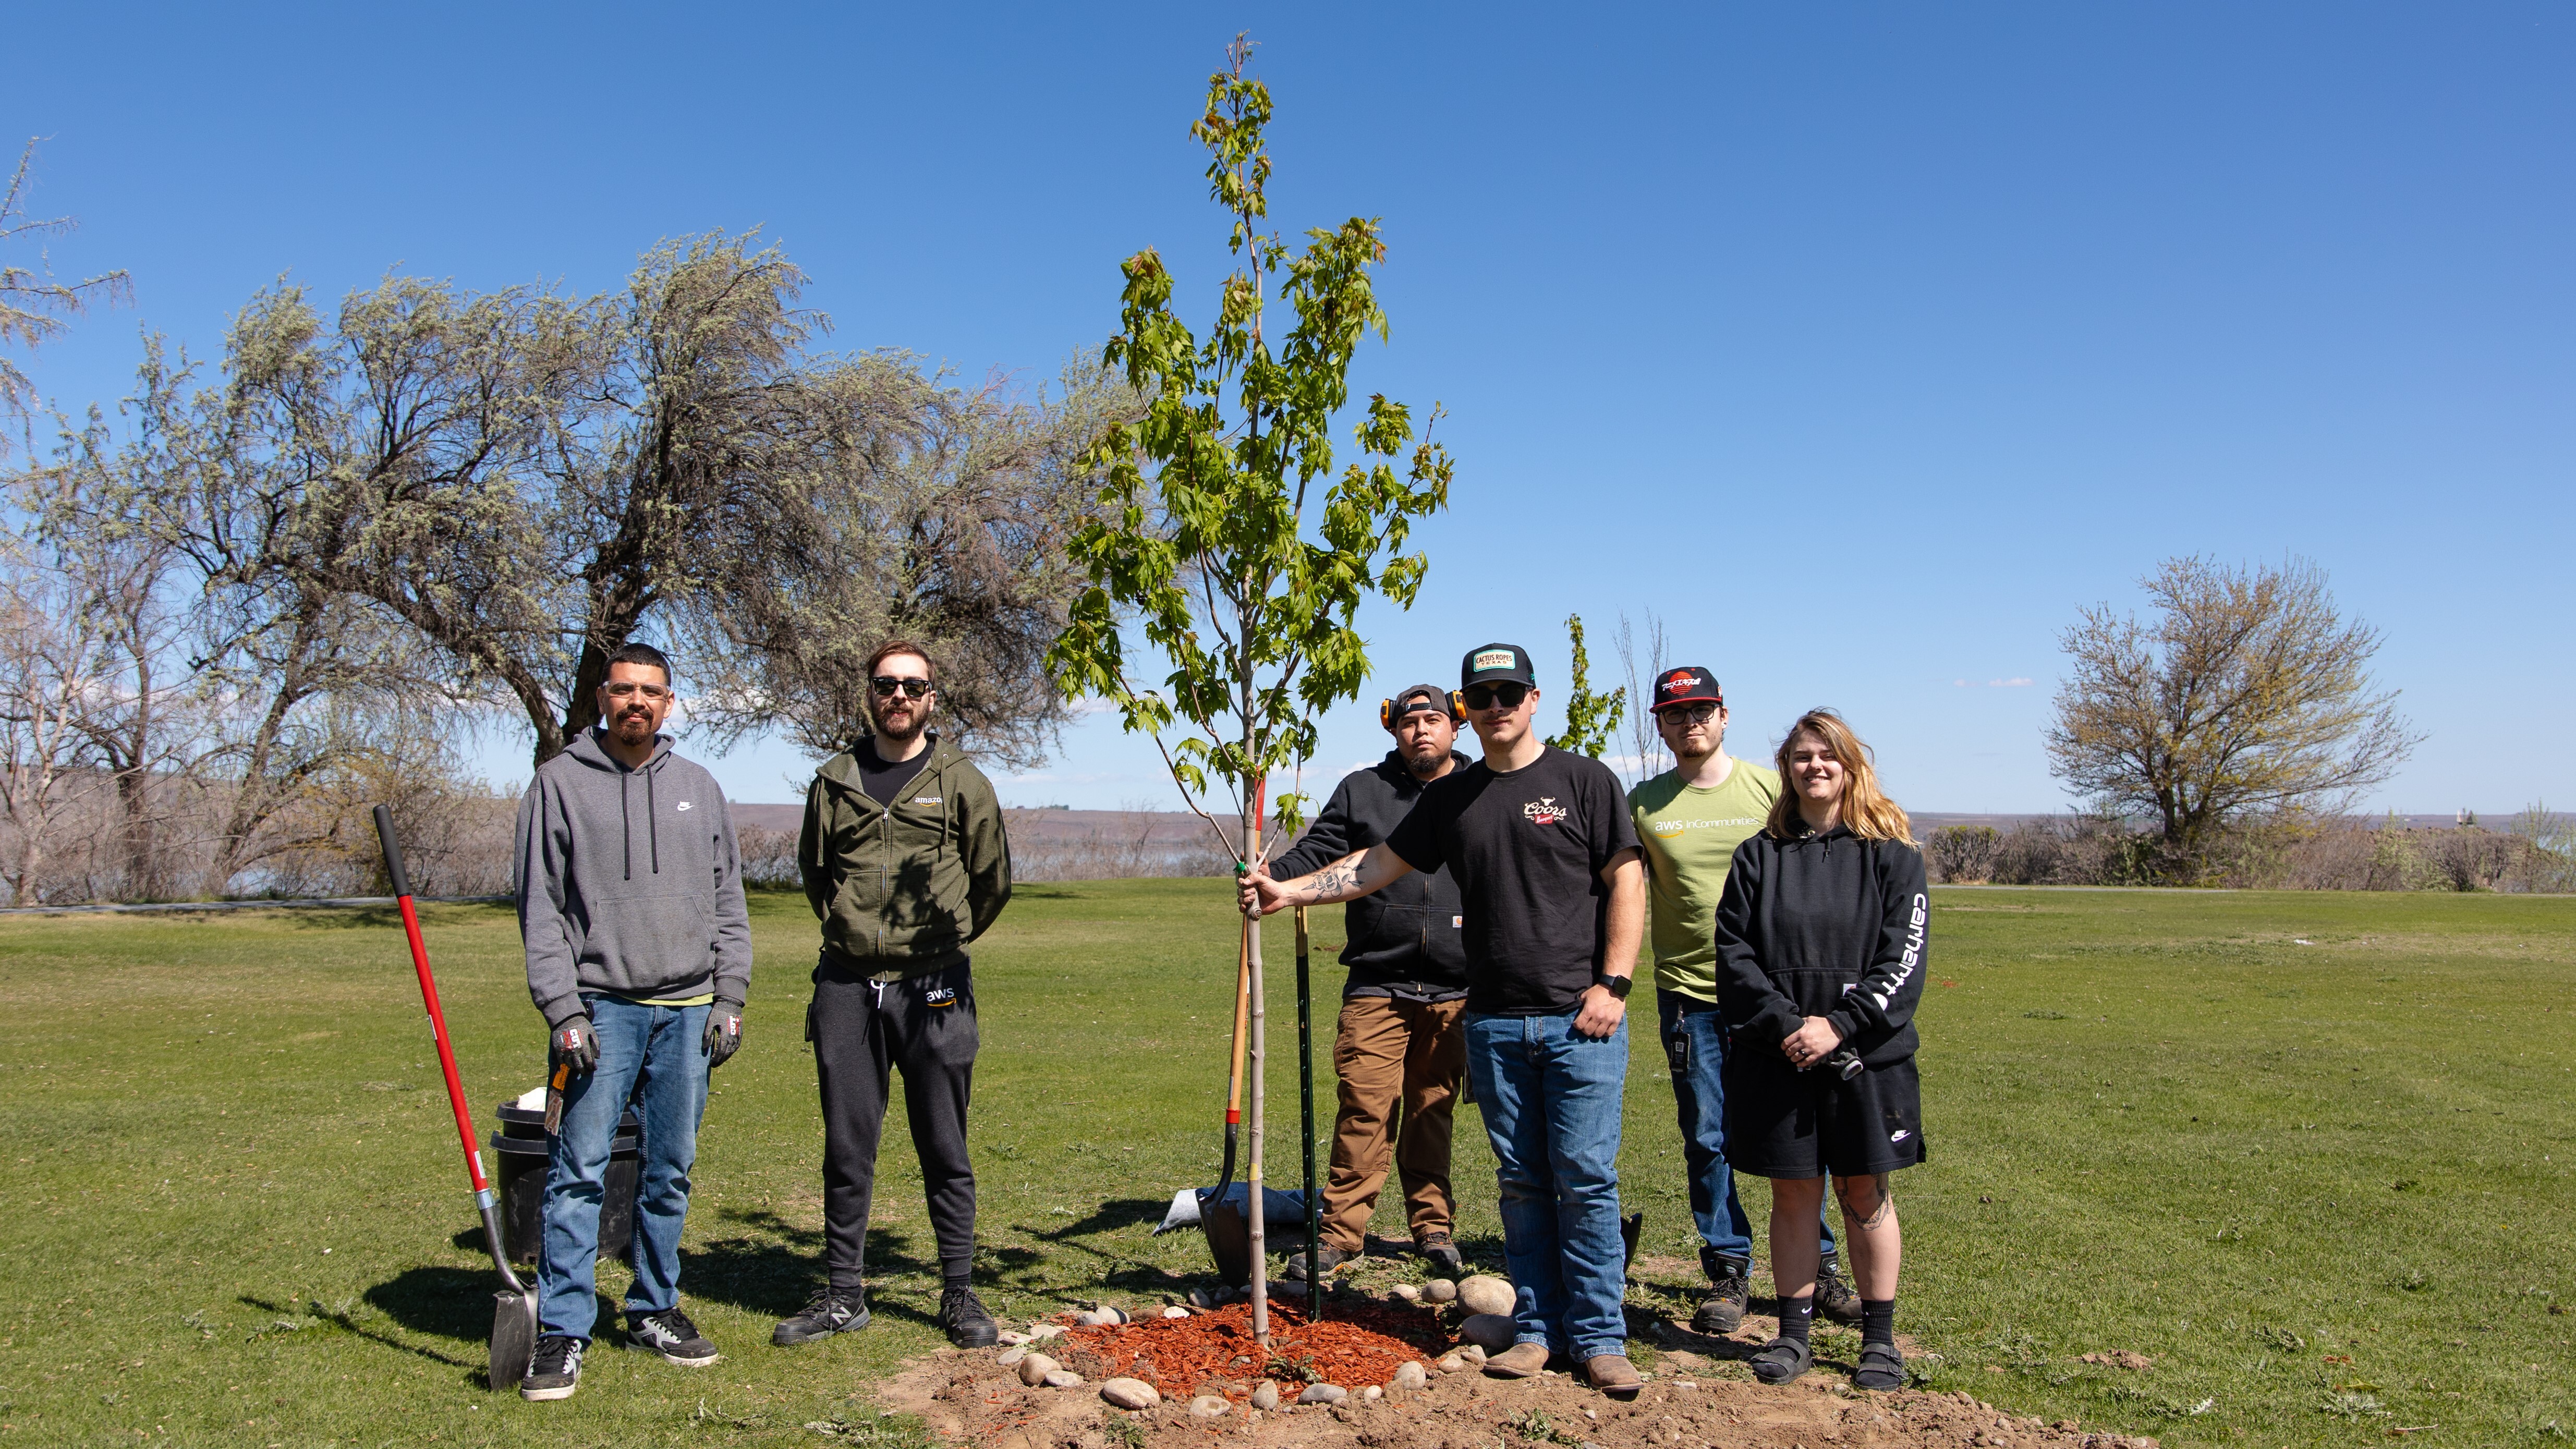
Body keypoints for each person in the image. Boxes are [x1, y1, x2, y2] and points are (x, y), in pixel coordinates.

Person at [1244, 643, 1648, 1397]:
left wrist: (1614, 983)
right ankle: (1535, 1330)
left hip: (1579, 1019)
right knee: (1523, 1183)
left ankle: (1599, 1337)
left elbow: (1626, 876)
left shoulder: (1583, 778)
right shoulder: (1451, 799)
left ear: (1532, 700)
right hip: (1493, 1022)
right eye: (1484, 693)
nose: (1497, 705)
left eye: (1509, 692)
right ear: (1473, 704)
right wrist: (1288, 892)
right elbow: (1371, 866)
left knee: (1587, 1179)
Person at [513, 641, 752, 1402]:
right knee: (579, 1170)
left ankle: (654, 1306)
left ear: (670, 702)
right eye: (624, 690)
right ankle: (562, 1328)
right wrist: (563, 1009)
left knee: (669, 1168)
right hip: (601, 1009)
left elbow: (729, 901)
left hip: (688, 1009)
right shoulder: (557, 785)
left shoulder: (699, 786)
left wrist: (731, 994)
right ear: (601, 698)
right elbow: (541, 909)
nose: (637, 702)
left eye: (651, 691)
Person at [774, 640, 1014, 1351]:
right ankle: (844, 1293)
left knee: (945, 1142)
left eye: (914, 685)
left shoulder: (962, 780)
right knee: (848, 1145)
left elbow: (992, 878)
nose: (900, 695)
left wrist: (945, 936)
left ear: (933, 698)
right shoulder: (835, 779)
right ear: (869, 694)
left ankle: (960, 1291)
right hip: (847, 986)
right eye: (887, 684)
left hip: (935, 984)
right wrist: (855, 934)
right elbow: (816, 874)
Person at [1627, 667, 1858, 1334]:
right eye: (1675, 713)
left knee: (1796, 1132)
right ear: (1660, 725)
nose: (1689, 722)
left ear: (1724, 716)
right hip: (1690, 996)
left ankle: (1823, 1267)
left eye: (1701, 710)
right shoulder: (1643, 803)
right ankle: (1727, 1268)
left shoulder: (1769, 788)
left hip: (1775, 999)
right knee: (1706, 1135)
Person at [1712, 708, 1928, 1391]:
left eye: (1827, 755)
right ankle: (1794, 1333)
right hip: (1780, 1055)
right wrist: (1788, 1025)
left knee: (1864, 1190)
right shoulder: (1758, 855)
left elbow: (1904, 958)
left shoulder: (1894, 855)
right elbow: (1734, 954)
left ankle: (1880, 1340)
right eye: (1802, 756)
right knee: (1794, 1193)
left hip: (1868, 1055)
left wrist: (1840, 1024)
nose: (1815, 766)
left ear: (1850, 764)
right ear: (1788, 768)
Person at [1267, 684, 1475, 1280]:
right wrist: (1274, 877)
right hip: (1377, 981)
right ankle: (1338, 1235)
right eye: (1409, 723)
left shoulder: (1478, 787)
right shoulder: (1363, 789)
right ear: (1392, 730)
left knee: (1432, 1109)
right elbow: (1320, 849)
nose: (1421, 732)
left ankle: (1433, 1229)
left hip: (1456, 987)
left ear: (1454, 726)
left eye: (1433, 720)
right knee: (1363, 1107)